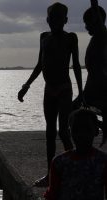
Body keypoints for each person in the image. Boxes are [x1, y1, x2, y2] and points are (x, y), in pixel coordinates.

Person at [17, 3, 83, 186]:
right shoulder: (44, 37)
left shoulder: (71, 38)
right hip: (49, 89)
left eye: (59, 19)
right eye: (52, 18)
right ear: (47, 20)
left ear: (66, 20)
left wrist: (81, 92)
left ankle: (76, 170)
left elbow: (76, 65)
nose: (55, 22)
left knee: (63, 131)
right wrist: (26, 85)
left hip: (64, 88)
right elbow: (40, 64)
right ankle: (50, 175)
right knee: (49, 132)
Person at [44, 108, 107, 200]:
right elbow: (52, 194)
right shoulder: (58, 163)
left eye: (87, 129)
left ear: (96, 131)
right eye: (76, 130)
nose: (81, 134)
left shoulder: (104, 162)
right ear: (70, 132)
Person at [83, 0, 107, 147]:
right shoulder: (95, 40)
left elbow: (97, 16)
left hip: (101, 90)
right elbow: (91, 72)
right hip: (92, 90)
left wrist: (93, 3)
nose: (85, 26)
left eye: (87, 23)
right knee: (74, 113)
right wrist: (83, 94)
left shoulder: (102, 36)